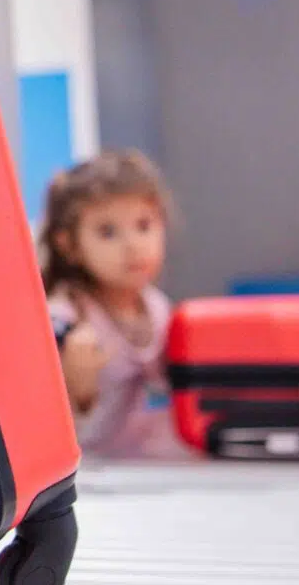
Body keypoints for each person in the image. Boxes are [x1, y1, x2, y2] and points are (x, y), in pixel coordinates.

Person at [37, 150, 190, 460]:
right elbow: (38, 422)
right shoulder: (63, 319)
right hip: (88, 471)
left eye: (144, 225)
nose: (133, 245)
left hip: (146, 467)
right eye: (108, 232)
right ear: (70, 246)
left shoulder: (157, 308)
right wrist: (76, 386)